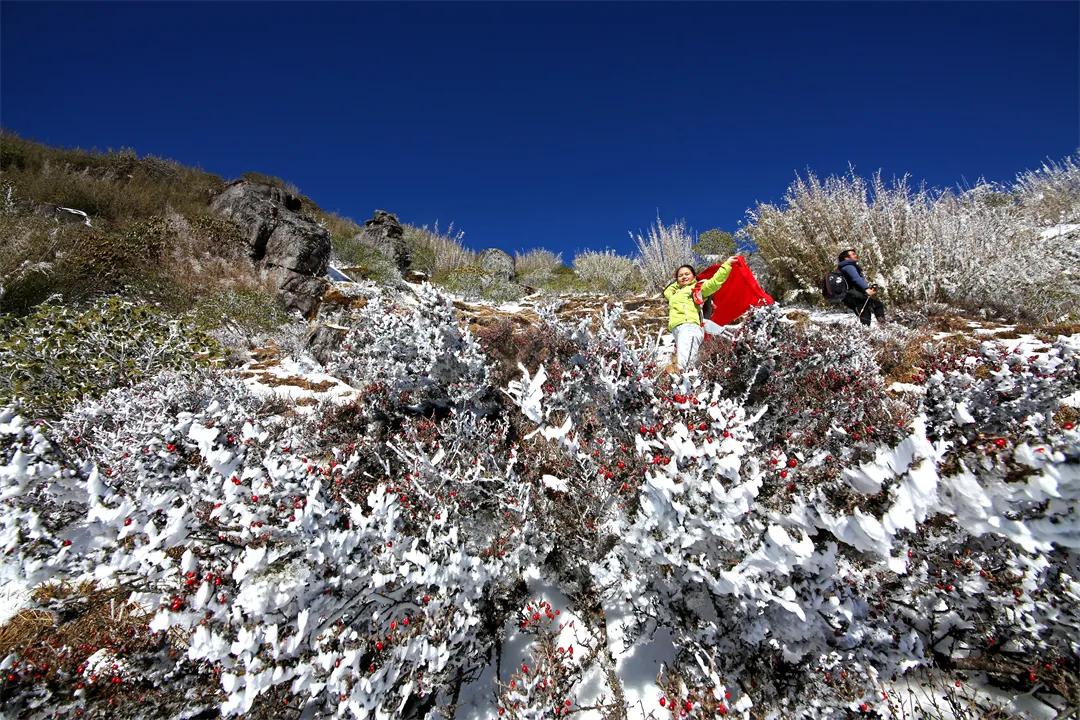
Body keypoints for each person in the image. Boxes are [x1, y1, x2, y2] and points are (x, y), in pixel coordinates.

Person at [663, 257, 737, 371]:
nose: (684, 277)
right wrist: (677, 284)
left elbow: (714, 283)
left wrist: (726, 265)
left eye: (687, 274)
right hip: (677, 329)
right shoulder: (674, 294)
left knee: (685, 365)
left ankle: (689, 386)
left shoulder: (697, 288)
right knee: (684, 363)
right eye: (680, 275)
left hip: (689, 327)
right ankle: (690, 384)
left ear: (694, 275)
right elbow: (666, 291)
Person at [837, 248, 886, 326]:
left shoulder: (845, 267)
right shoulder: (848, 266)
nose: (855, 255)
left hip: (852, 295)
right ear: (846, 258)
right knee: (872, 309)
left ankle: (874, 329)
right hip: (853, 296)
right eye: (852, 254)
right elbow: (856, 279)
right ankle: (882, 326)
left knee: (869, 310)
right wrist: (866, 289)